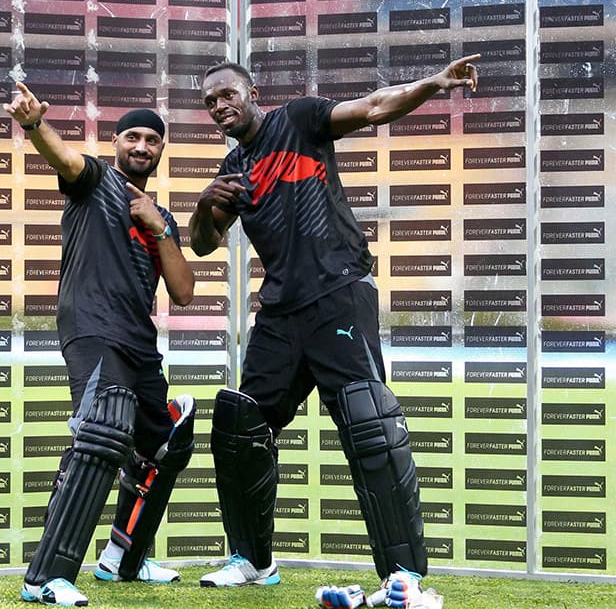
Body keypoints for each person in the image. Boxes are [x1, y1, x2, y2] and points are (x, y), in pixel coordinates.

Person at [190, 56, 479, 608]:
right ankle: (253, 561)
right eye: (210, 102)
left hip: (339, 293)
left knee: (369, 425)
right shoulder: (232, 169)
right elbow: (203, 243)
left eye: (228, 94)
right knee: (239, 425)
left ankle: (407, 581)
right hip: (279, 312)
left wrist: (435, 81)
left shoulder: (297, 120)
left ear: (253, 92)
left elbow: (372, 108)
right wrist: (204, 203)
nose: (221, 106)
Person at [4, 82, 197, 606]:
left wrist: (159, 229)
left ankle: (123, 559)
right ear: (116, 143)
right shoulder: (96, 182)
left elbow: (182, 292)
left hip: (138, 340)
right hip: (92, 327)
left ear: (160, 150)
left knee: (166, 441)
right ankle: (45, 577)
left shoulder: (163, 218)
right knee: (103, 431)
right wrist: (32, 124)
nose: (141, 147)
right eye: (132, 137)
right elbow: (63, 157)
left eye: (152, 140)